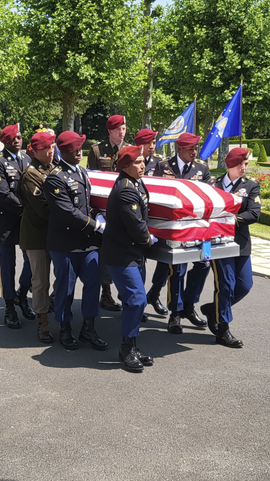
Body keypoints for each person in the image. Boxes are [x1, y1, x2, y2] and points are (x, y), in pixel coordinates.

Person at [43, 131, 108, 351]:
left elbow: (87, 203)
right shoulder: (55, 178)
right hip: (65, 243)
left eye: (80, 147)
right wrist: (95, 224)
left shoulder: (82, 172)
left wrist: (98, 214)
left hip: (88, 243)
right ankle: (65, 327)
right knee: (66, 288)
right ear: (63, 152)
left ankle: (89, 327)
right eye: (74, 149)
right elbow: (67, 212)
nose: (79, 152)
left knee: (93, 284)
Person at [101, 145, 156, 372]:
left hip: (133, 253)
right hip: (121, 254)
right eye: (137, 162)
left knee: (135, 301)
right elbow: (137, 226)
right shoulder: (125, 189)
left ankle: (132, 345)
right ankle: (126, 348)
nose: (143, 165)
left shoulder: (136, 183)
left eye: (143, 161)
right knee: (136, 300)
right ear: (125, 166)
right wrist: (150, 241)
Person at [151, 132, 211, 334]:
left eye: (196, 149)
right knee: (176, 269)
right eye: (191, 149)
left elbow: (208, 199)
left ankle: (189, 305)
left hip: (199, 230)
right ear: (180, 149)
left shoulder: (202, 169)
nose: (195, 152)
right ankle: (175, 313)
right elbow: (157, 195)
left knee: (205, 263)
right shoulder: (163, 167)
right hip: (174, 229)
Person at [201, 147, 260, 348]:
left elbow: (254, 213)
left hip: (239, 242)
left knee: (244, 285)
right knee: (225, 284)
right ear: (230, 165)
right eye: (240, 164)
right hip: (217, 242)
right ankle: (223, 329)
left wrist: (228, 220)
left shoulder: (251, 186)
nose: (244, 168)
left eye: (245, 164)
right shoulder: (213, 185)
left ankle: (213, 309)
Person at [0, 124, 35, 328]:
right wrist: (26, 209)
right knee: (7, 266)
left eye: (20, 137)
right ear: (6, 141)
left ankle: (22, 294)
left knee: (32, 261)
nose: (18, 141)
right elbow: (3, 193)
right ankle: (9, 306)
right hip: (5, 221)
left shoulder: (27, 160)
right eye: (14, 138)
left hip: (26, 222)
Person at [18, 131, 57, 343]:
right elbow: (43, 208)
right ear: (35, 151)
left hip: (55, 232)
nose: (51, 152)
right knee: (40, 280)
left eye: (52, 147)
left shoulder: (52, 168)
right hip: (36, 234)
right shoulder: (31, 174)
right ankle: (42, 320)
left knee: (64, 273)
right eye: (46, 149)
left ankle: (51, 302)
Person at [87, 114, 128, 311]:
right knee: (103, 253)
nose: (122, 132)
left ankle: (124, 293)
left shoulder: (129, 150)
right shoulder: (97, 150)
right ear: (110, 131)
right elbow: (92, 182)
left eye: (124, 128)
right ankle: (106, 293)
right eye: (118, 129)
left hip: (123, 209)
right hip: (103, 212)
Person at [132, 128, 168, 315]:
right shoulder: (130, 161)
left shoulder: (160, 164)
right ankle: (135, 303)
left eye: (153, 143)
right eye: (148, 144)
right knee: (138, 263)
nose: (152, 147)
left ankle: (154, 292)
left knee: (165, 260)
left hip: (157, 220)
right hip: (137, 219)